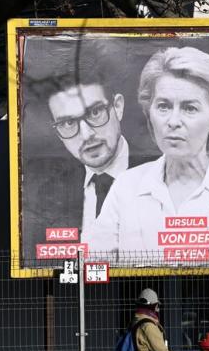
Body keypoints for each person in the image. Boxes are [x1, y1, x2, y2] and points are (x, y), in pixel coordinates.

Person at [84, 46, 209, 264]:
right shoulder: (127, 186)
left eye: (189, 108)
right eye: (163, 106)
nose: (173, 122)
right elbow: (93, 264)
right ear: (149, 111)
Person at [20, 70, 143, 259]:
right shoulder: (49, 194)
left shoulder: (166, 172)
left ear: (117, 107)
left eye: (95, 113)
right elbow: (42, 263)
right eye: (68, 123)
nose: (86, 135)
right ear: (58, 133)